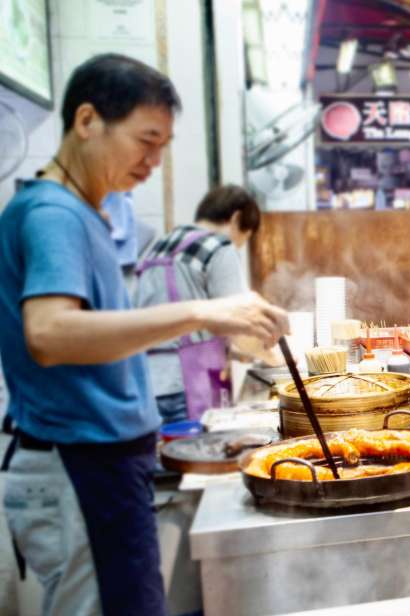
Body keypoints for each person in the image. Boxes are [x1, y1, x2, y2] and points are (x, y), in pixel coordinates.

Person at [0, 53, 287, 616]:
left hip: (101, 460)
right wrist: (202, 312)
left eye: (164, 146)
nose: (154, 161)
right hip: (82, 462)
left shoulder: (86, 212)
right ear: (87, 121)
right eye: (145, 140)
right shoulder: (54, 214)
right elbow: (51, 334)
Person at [134, 184, 271, 425]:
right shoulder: (219, 247)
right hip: (187, 387)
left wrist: (234, 351)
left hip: (145, 384)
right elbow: (239, 323)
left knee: (166, 458)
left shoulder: (159, 246)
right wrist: (277, 360)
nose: (239, 246)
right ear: (236, 218)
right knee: (198, 459)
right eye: (244, 238)